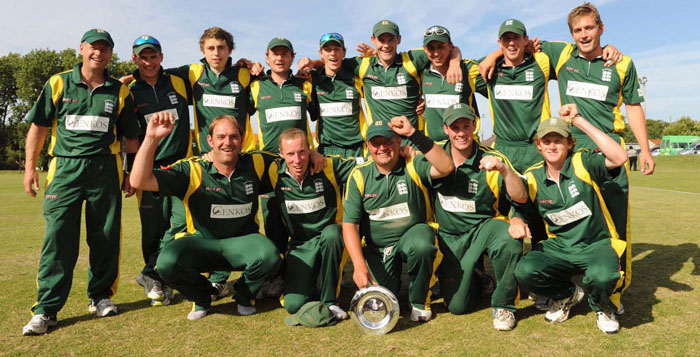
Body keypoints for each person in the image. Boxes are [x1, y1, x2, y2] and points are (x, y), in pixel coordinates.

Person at [22, 29, 140, 335]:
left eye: (104, 49)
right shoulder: (58, 83)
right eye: (93, 48)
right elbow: (39, 127)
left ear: (111, 54)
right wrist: (30, 168)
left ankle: (101, 297)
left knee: (105, 236)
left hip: (106, 170)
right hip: (65, 169)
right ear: (81, 49)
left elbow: (131, 139)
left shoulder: (119, 91)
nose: (98, 53)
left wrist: (130, 173)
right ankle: (46, 309)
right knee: (58, 238)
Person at [537, 2, 654, 308]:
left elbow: (633, 107)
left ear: (601, 29)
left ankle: (614, 294)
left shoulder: (622, 63)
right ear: (571, 34)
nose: (584, 35)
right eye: (578, 30)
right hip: (571, 150)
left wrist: (644, 149)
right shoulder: (561, 54)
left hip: (609, 150)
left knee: (616, 223)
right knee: (570, 222)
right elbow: (522, 44)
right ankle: (569, 285)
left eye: (590, 28)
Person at [130, 114, 281, 320]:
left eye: (233, 136)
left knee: (270, 255)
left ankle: (244, 295)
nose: (227, 142)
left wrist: (314, 156)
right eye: (221, 137)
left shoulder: (257, 162)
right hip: (202, 244)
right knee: (166, 263)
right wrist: (151, 139)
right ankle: (202, 297)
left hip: (242, 244)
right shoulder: (192, 168)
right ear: (210, 140)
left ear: (242, 138)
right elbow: (139, 180)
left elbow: (294, 159)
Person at [513, 103, 629, 334]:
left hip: (596, 244)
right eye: (546, 141)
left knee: (603, 275)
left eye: (558, 141)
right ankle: (567, 295)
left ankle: (602, 307)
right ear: (538, 145)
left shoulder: (582, 162)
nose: (552, 146)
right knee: (525, 270)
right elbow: (521, 206)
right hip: (560, 247)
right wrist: (516, 220)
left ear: (569, 143)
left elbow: (619, 157)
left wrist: (578, 121)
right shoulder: (532, 174)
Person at [342, 117, 454, 322]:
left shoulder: (413, 164)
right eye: (375, 143)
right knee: (381, 300)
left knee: (422, 244)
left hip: (412, 238)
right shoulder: (359, 175)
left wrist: (414, 134)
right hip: (378, 249)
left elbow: (446, 167)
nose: (382, 148)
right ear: (368, 146)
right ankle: (394, 282)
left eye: (388, 141)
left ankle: (419, 302)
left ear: (399, 142)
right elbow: (350, 224)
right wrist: (358, 266)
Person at [428, 103, 527, 331]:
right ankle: (478, 277)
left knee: (508, 238)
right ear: (446, 129)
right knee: (458, 306)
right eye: (455, 127)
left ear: (474, 126)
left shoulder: (492, 157)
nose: (461, 133)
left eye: (466, 126)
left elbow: (520, 197)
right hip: (449, 238)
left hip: (482, 230)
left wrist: (504, 170)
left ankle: (504, 306)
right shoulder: (434, 155)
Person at [128, 35, 192, 306]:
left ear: (161, 57)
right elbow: (130, 138)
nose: (149, 61)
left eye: (153, 56)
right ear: (134, 59)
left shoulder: (179, 81)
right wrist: (129, 173)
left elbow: (214, 70)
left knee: (181, 223)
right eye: (143, 57)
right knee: (152, 228)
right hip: (148, 169)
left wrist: (245, 63)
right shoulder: (128, 90)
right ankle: (155, 277)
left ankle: (154, 273)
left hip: (180, 167)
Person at [271, 128, 356, 320]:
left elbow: (364, 164)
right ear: (281, 154)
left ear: (310, 150)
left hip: (330, 235)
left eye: (302, 152)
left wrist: (406, 153)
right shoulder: (272, 171)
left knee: (333, 234)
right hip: (301, 245)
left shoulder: (328, 166)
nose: (297, 160)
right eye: (290, 154)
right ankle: (312, 280)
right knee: (293, 305)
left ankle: (330, 301)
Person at [310, 32, 367, 160]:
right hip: (326, 151)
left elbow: (381, 95)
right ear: (321, 53)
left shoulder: (356, 78)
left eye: (337, 49)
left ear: (344, 53)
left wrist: (417, 100)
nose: (333, 53)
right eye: (328, 49)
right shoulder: (313, 80)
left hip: (356, 150)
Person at [420, 26, 481, 142]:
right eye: (431, 48)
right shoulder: (422, 72)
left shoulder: (468, 69)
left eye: (441, 47)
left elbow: (494, 63)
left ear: (450, 46)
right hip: (435, 147)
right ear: (425, 49)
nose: (436, 53)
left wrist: (455, 62)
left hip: (466, 145)